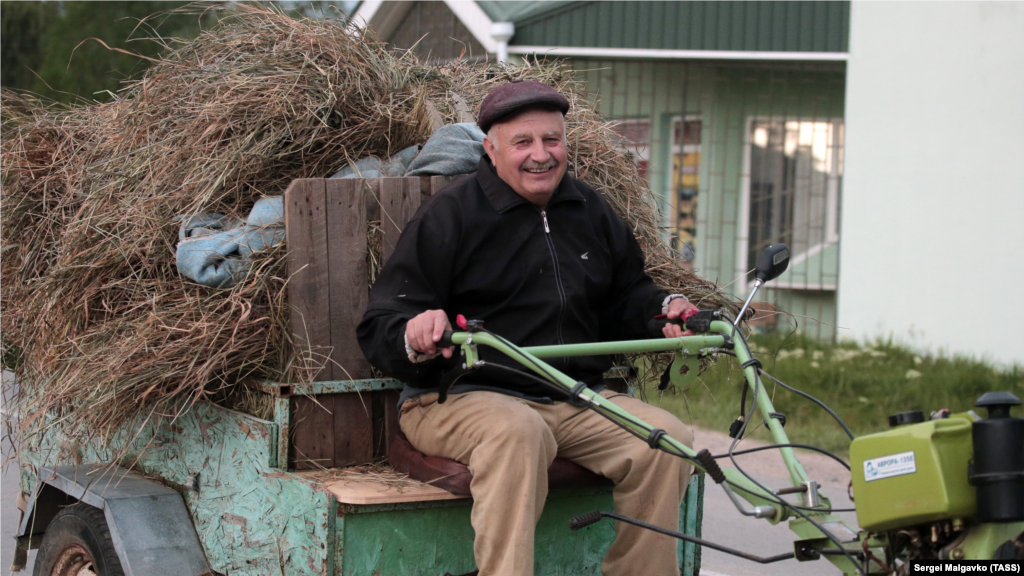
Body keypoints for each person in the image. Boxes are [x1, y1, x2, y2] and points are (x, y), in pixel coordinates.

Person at [357, 80, 697, 576]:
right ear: (490, 150)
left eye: (552, 140)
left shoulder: (590, 210)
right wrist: (414, 332)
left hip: (574, 395)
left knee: (666, 438)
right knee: (519, 431)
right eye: (523, 143)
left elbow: (628, 295)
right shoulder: (450, 215)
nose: (541, 155)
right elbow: (381, 322)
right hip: (457, 399)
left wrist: (666, 308)